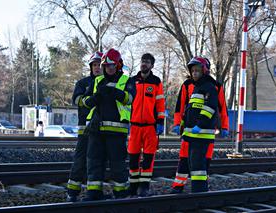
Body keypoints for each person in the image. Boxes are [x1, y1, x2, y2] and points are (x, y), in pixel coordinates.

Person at [82, 48, 136, 201]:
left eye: (111, 66)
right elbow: (85, 102)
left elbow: (130, 99)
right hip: (96, 131)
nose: (108, 68)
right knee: (93, 163)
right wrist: (95, 98)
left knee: (118, 166)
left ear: (119, 65)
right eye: (106, 66)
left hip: (116, 132)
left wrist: (113, 92)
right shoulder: (97, 81)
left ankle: (121, 194)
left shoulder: (127, 81)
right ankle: (94, 193)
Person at [171, 57, 229, 193]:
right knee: (186, 160)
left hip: (202, 132)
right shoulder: (188, 85)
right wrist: (177, 123)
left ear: (204, 70)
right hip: (189, 132)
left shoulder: (213, 86)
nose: (195, 73)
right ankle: (180, 187)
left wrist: (224, 126)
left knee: (201, 162)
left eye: (197, 70)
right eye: (193, 71)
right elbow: (180, 106)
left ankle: (200, 189)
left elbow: (219, 108)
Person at [66, 51, 103, 202]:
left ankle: (94, 192)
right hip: (85, 130)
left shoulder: (108, 83)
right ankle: (72, 192)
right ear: (90, 67)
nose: (97, 68)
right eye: (94, 65)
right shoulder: (83, 83)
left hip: (102, 130)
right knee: (80, 160)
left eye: (99, 64)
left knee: (97, 162)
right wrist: (89, 97)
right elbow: (75, 100)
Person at [128, 53, 165, 197]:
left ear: (152, 65)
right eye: (143, 61)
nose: (144, 64)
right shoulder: (132, 81)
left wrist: (160, 122)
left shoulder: (156, 82)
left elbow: (160, 103)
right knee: (133, 158)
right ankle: (133, 186)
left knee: (148, 159)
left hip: (150, 127)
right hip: (135, 126)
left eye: (147, 62)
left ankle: (144, 187)